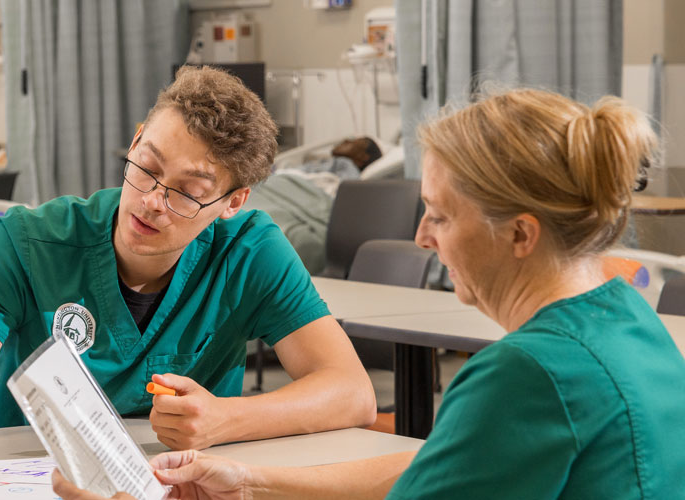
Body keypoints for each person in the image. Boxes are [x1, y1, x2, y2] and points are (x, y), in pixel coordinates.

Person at [54, 89, 685, 499]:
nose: (421, 237)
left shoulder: (528, 377)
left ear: (520, 234)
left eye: (439, 215)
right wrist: (250, 480)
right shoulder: (629, 321)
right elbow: (437, 466)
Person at [0, 65, 375, 450]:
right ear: (138, 139)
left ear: (233, 203)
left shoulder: (250, 252)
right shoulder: (27, 243)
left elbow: (352, 392)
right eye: (147, 167)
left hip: (186, 483)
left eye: (188, 193)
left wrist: (228, 418)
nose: (151, 202)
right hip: (37, 479)